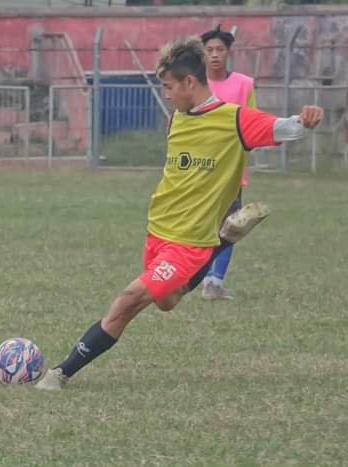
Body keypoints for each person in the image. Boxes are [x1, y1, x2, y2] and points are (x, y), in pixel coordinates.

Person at [36, 36, 323, 391]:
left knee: (127, 302)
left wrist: (306, 119)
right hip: (157, 231)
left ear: (190, 82)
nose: (167, 94)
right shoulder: (177, 120)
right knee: (166, 301)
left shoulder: (235, 120)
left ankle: (60, 373)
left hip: (188, 243)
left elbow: (285, 127)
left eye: (169, 86)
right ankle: (224, 239)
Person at [200, 24, 257, 300]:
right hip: (200, 167)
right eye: (209, 50)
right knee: (201, 225)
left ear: (228, 53)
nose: (214, 55)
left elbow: (252, 122)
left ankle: (215, 282)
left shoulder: (244, 84)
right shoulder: (195, 83)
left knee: (231, 224)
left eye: (219, 50)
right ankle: (195, 276)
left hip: (231, 169)